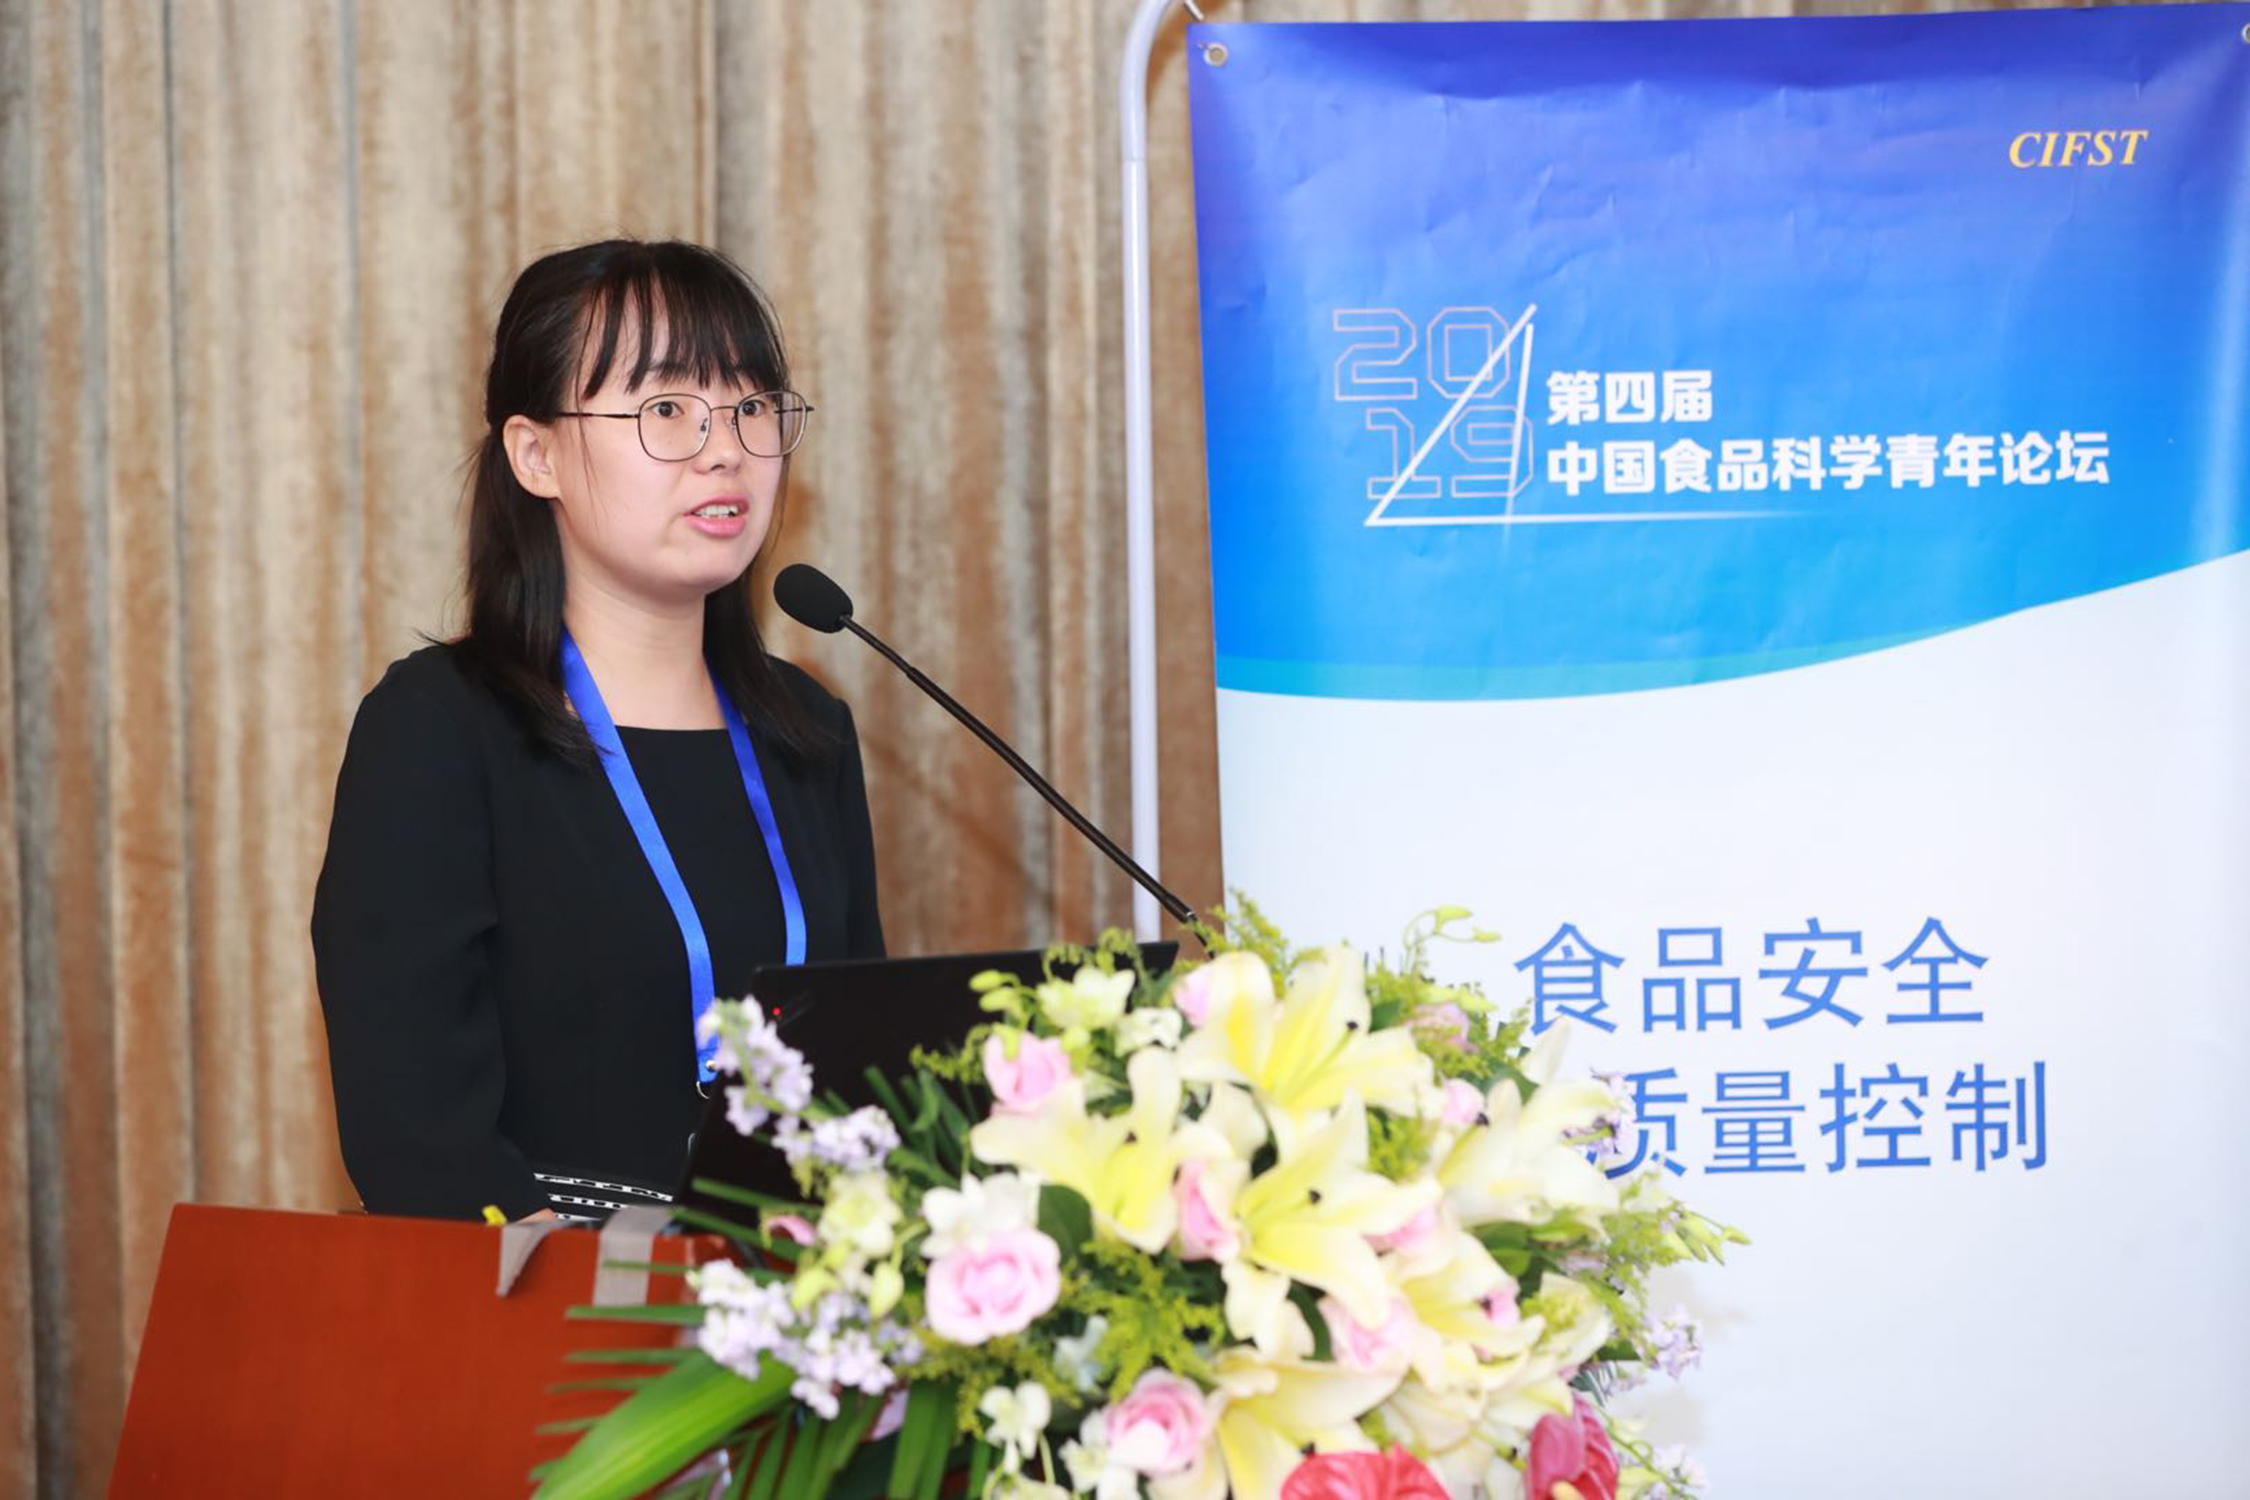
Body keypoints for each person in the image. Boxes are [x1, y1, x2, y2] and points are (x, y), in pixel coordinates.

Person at [312, 239, 883, 1222]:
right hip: (547, 1294)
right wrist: (603, 1291)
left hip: (795, 1289)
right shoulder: (440, 730)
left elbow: (864, 1061)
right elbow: (415, 1129)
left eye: (752, 407)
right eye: (666, 409)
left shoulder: (807, 732)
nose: (725, 449)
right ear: (536, 456)